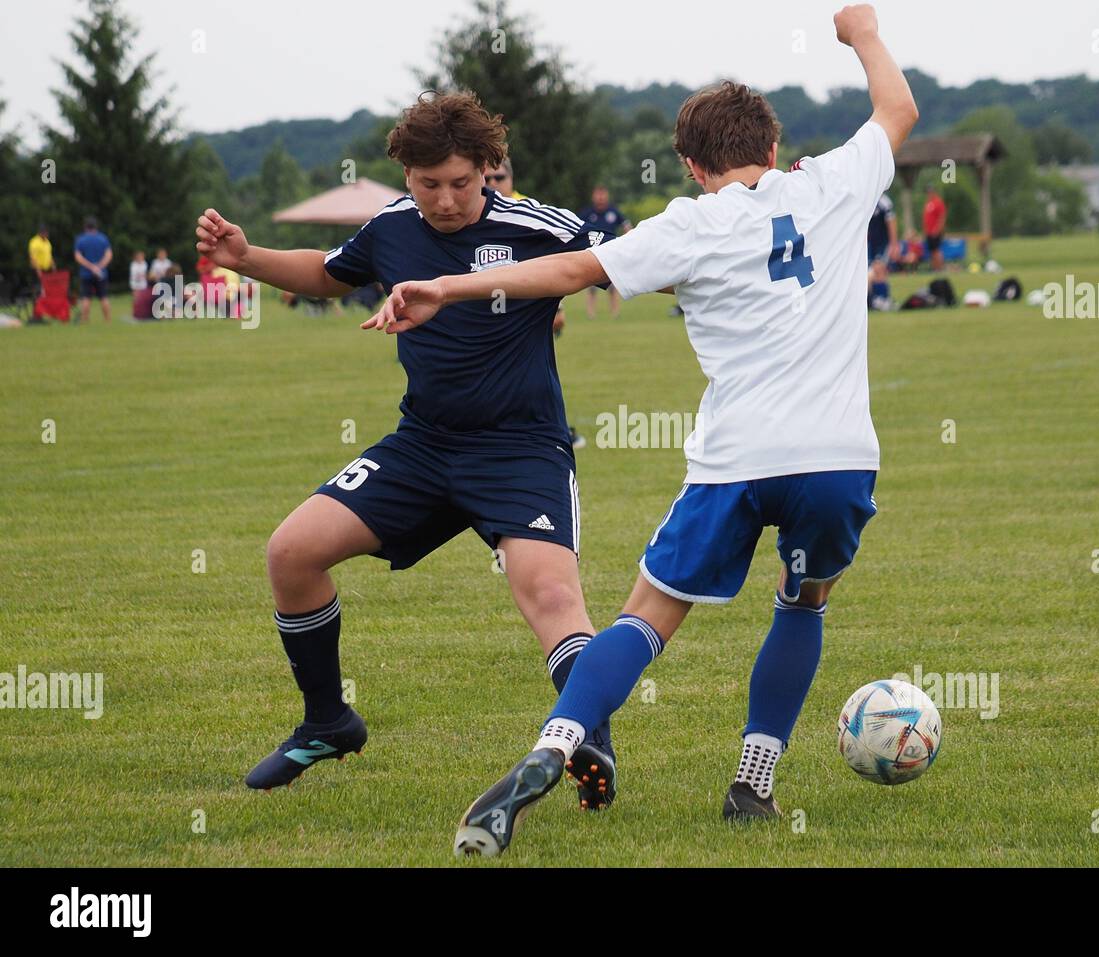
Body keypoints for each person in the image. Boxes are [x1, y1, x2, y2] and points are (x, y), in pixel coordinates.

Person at [363, 3, 918, 857]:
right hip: (838, 460)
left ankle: (555, 743)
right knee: (802, 598)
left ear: (694, 166)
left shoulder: (687, 224)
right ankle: (753, 783)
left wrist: (449, 288)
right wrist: (863, 34)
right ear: (771, 149)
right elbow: (896, 111)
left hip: (735, 462)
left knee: (647, 617)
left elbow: (567, 269)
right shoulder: (834, 182)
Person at [195, 91, 618, 809]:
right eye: (429, 185)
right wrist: (246, 257)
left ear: (489, 168)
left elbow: (635, 260)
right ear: (407, 176)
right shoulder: (392, 227)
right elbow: (329, 274)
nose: (447, 199)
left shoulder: (539, 225)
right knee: (291, 552)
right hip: (423, 446)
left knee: (551, 593)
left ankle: (589, 738)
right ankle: (329, 720)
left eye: (461, 181)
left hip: (521, 450)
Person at [486, 157, 587, 450]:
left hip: (526, 313)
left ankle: (557, 431)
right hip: (486, 314)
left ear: (512, 179)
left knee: (532, 376)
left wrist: (559, 308)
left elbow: (553, 264)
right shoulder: (472, 214)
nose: (493, 184)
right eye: (488, 178)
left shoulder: (528, 212)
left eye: (499, 178)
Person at [576, 186, 630, 319]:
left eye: (602, 194)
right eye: (598, 195)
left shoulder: (613, 212)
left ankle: (615, 313)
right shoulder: (587, 213)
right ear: (593, 196)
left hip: (611, 253)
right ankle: (591, 313)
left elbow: (626, 225)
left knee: (613, 285)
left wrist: (628, 238)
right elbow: (576, 227)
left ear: (606, 196)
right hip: (593, 254)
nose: (600, 198)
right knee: (591, 285)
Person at [73, 217, 113, 323]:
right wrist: (99, 267)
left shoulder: (80, 239)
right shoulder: (103, 238)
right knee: (104, 297)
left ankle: (84, 320)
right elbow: (109, 255)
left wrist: (90, 266)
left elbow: (78, 257)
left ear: (85, 227)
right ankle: (108, 321)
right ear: (96, 226)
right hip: (101, 273)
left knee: (86, 298)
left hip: (86, 273)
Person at [922, 185, 946, 271]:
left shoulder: (938, 202)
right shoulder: (928, 203)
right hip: (928, 232)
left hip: (935, 232)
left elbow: (942, 217)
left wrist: (937, 229)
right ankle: (935, 268)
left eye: (930, 192)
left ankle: (940, 268)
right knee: (932, 251)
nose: (928, 194)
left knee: (936, 250)